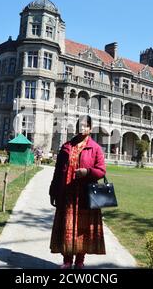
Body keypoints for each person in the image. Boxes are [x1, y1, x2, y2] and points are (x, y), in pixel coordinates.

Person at [49, 115, 106, 269]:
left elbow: (101, 171)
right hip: (67, 195)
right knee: (66, 227)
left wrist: (87, 172)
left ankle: (80, 261)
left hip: (85, 197)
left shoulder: (95, 148)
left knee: (83, 229)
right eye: (80, 125)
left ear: (90, 128)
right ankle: (67, 261)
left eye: (85, 125)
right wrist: (53, 191)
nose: (82, 128)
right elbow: (57, 171)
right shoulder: (67, 146)